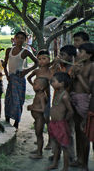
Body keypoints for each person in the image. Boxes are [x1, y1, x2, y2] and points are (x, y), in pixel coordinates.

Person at [3, 31, 38, 129]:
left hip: (19, 79)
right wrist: (7, 75)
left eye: (22, 38)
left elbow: (37, 62)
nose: (19, 40)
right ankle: (7, 119)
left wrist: (26, 71)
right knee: (9, 100)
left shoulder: (26, 51)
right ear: (14, 38)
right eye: (18, 37)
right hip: (11, 79)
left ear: (25, 40)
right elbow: (4, 64)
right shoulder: (9, 50)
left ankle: (16, 122)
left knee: (18, 101)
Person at [70, 42, 94, 170]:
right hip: (75, 99)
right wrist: (73, 73)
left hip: (85, 101)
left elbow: (89, 89)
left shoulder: (91, 66)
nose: (78, 54)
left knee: (84, 133)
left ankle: (84, 163)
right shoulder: (79, 65)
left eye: (81, 52)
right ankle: (79, 159)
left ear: (89, 55)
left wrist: (79, 75)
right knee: (78, 132)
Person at [48, 72, 74, 171]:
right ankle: (55, 163)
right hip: (53, 123)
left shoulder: (64, 96)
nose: (51, 83)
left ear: (62, 83)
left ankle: (65, 167)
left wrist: (64, 121)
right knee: (56, 145)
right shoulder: (57, 93)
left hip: (60, 124)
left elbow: (70, 111)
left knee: (64, 147)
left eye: (54, 81)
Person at [27, 49, 53, 149]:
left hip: (46, 98)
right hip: (37, 97)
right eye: (39, 59)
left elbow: (54, 83)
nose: (41, 61)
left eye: (44, 58)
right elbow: (28, 78)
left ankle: (50, 141)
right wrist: (34, 85)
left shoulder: (50, 72)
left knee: (47, 119)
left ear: (49, 59)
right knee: (38, 119)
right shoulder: (37, 71)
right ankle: (40, 139)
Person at [27, 77, 49, 159]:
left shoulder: (42, 96)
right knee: (37, 134)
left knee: (39, 135)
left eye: (35, 84)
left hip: (40, 118)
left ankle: (39, 153)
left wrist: (32, 108)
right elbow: (37, 105)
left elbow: (43, 109)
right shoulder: (38, 94)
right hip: (37, 118)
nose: (33, 85)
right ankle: (38, 150)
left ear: (41, 87)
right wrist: (31, 106)